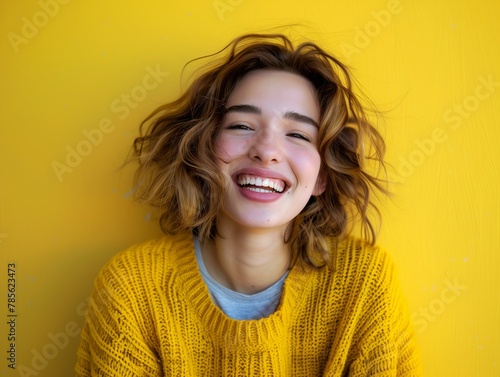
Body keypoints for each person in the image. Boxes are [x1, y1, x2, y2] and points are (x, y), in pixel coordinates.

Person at [75, 33, 421, 376]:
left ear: (322, 176)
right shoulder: (132, 289)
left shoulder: (364, 284)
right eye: (241, 125)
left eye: (298, 134)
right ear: (203, 150)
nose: (266, 150)